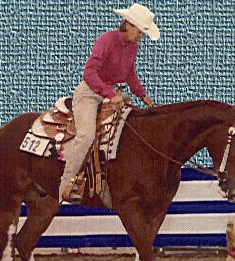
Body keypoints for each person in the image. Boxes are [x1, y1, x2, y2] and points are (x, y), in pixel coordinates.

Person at [59, 3, 160, 203]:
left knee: (124, 133)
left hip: (110, 94)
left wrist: (143, 95)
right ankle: (65, 184)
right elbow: (89, 72)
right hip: (89, 93)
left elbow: (129, 72)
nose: (141, 37)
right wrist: (109, 94)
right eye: (140, 32)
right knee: (86, 135)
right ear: (129, 25)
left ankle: (108, 182)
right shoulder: (107, 40)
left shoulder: (133, 45)